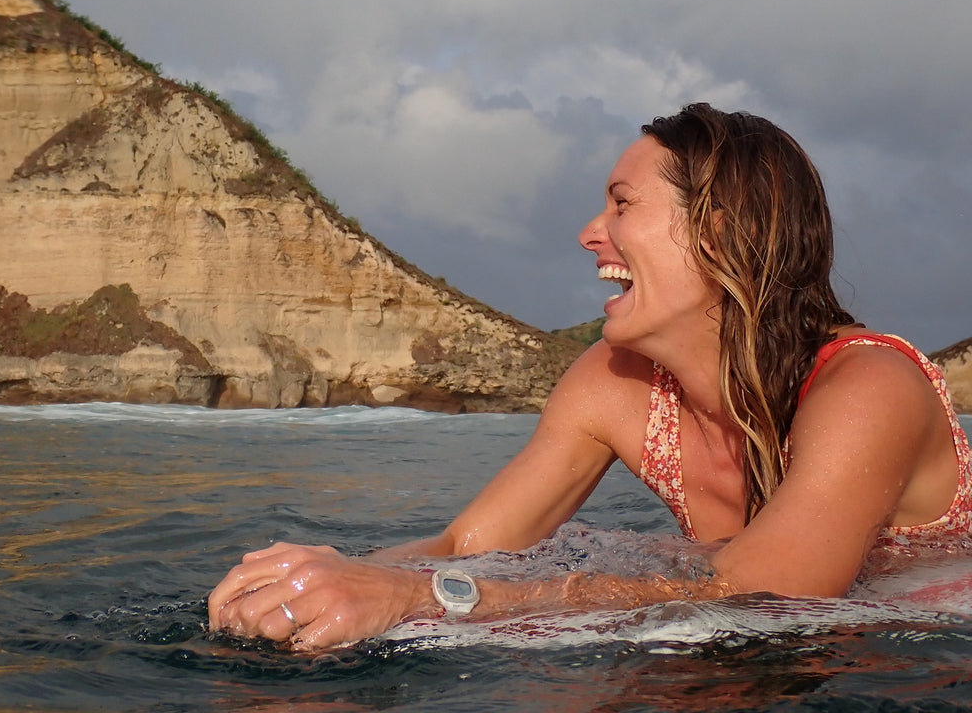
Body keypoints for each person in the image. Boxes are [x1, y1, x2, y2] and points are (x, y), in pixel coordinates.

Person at [209, 102, 972, 650]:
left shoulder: (868, 390)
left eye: (621, 204)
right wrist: (319, 580)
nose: (587, 233)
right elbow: (469, 543)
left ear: (721, 231)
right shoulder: (612, 383)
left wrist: (421, 599)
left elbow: (770, 588)